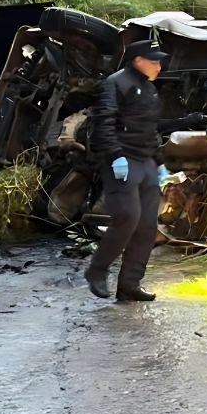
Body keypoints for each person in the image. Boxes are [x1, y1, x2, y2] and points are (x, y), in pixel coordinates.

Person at [84, 39, 170, 302]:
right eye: (153, 60)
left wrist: (159, 160)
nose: (158, 65)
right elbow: (104, 123)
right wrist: (115, 156)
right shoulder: (116, 83)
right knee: (128, 217)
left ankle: (130, 285)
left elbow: (150, 129)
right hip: (122, 160)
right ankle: (97, 271)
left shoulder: (150, 88)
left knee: (147, 226)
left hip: (146, 161)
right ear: (137, 60)